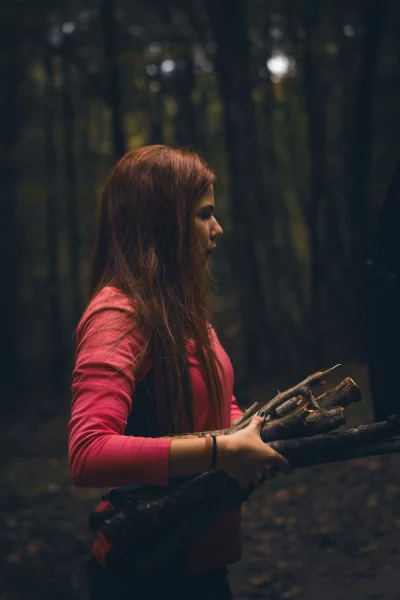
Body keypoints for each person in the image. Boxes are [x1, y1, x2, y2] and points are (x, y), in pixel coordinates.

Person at [68, 145, 289, 600]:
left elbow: (216, 398)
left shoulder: (181, 310)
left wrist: (255, 433)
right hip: (145, 571)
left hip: (199, 558)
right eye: (204, 214)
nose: (218, 229)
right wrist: (220, 451)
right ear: (164, 222)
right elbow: (88, 452)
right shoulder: (118, 313)